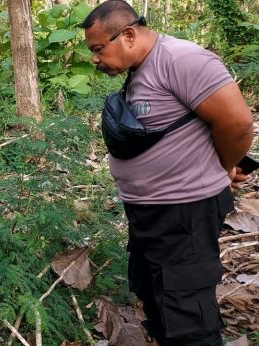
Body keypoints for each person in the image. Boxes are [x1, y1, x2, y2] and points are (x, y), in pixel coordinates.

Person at [81, 1, 253, 345]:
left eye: (99, 49)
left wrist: (222, 168)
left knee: (186, 310)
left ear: (128, 35)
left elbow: (237, 122)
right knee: (155, 294)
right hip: (149, 212)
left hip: (184, 210)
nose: (95, 59)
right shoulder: (141, 68)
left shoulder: (182, 59)